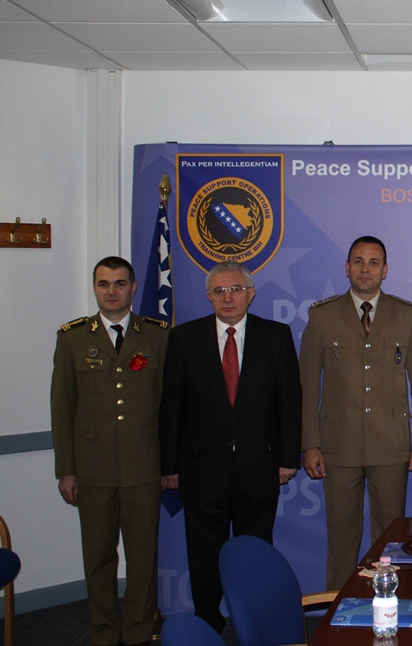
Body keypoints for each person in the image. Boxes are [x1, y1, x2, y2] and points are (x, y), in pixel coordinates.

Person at [160, 260, 301, 632]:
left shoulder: (276, 336)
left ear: (250, 294)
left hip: (259, 469)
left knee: (255, 555)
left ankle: (259, 625)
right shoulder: (185, 339)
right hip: (202, 470)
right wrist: (169, 466)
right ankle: (208, 624)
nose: (228, 298)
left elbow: (289, 401)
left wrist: (289, 458)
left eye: (236, 289)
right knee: (204, 557)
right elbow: (172, 407)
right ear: (209, 297)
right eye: (219, 291)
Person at [299, 236, 412, 589]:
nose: (365, 269)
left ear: (384, 270)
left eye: (373, 262)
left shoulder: (406, 315)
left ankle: (388, 609)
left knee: (390, 544)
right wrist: (310, 444)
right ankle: (337, 613)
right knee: (341, 544)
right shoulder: (321, 316)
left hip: (390, 446)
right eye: (358, 261)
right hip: (338, 447)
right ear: (347, 268)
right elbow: (308, 388)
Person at [50, 256, 168, 646]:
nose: (111, 291)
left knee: (143, 557)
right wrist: (67, 469)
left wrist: (169, 465)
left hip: (143, 466)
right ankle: (103, 629)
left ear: (133, 287)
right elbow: (62, 407)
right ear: (95, 288)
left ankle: (137, 628)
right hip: (92, 468)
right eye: (103, 284)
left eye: (119, 283)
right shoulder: (72, 338)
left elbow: (169, 406)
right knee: (98, 555)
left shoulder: (157, 336)